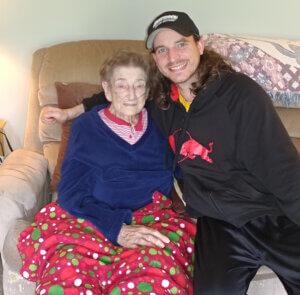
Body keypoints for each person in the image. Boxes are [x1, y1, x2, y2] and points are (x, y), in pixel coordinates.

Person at [42, 11, 300, 295]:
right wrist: (71, 111)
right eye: (162, 50)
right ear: (155, 59)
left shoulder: (241, 95)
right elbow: (121, 91)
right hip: (218, 223)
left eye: (181, 44)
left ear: (199, 46)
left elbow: (284, 171)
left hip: (271, 212)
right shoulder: (160, 103)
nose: (173, 57)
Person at [18, 50, 196, 295]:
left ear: (148, 90)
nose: (132, 95)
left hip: (153, 219)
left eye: (139, 86)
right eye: (122, 86)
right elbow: (69, 191)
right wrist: (117, 229)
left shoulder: (162, 121)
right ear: (108, 89)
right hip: (89, 218)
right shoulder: (87, 126)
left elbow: (188, 164)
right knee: (68, 273)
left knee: (154, 278)